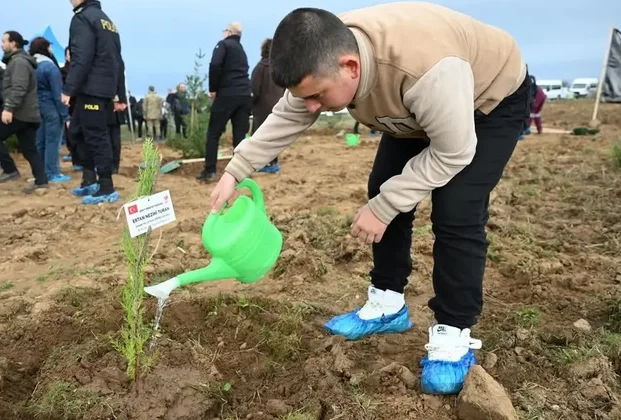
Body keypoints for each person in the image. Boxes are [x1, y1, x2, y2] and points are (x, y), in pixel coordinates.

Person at [207, 4, 530, 395]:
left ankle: (453, 331)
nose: (312, 106)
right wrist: (233, 171)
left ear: (350, 67)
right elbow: (288, 116)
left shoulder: (427, 70)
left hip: (487, 100)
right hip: (414, 105)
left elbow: (452, 152)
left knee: (456, 208)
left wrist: (383, 208)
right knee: (384, 185)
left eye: (317, 96)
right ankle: (388, 304)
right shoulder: (324, 59)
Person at [62, 0, 127, 205]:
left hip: (92, 88)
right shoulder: (106, 21)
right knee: (77, 132)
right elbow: (118, 61)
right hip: (100, 87)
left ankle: (106, 186)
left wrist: (68, 89)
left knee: (96, 136)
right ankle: (89, 179)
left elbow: (81, 57)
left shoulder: (82, 18)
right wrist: (119, 94)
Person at [0, 30, 48, 193]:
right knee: (29, 149)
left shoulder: (19, 63)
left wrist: (9, 108)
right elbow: (6, 77)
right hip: (28, 114)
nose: (1, 44)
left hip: (19, 113)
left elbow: (19, 87)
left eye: (4, 41)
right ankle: (41, 181)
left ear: (13, 43)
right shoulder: (18, 62)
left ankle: (10, 170)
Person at [197, 21, 252, 182]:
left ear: (228, 32)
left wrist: (213, 88)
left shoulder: (223, 45)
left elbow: (215, 65)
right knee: (240, 135)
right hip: (244, 95)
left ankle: (210, 170)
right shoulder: (242, 50)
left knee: (214, 133)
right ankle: (240, 172)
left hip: (227, 94)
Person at [29, 36, 71, 183]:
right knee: (52, 141)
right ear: (45, 48)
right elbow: (57, 93)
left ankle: (40, 172)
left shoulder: (31, 66)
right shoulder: (50, 67)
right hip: (51, 108)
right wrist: (65, 115)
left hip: (36, 107)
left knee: (40, 141)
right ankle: (52, 172)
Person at [250, 38, 284, 174]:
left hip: (262, 108)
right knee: (274, 136)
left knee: (259, 136)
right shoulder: (280, 68)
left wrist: (251, 105)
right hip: (278, 107)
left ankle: (261, 163)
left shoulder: (260, 68)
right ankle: (273, 163)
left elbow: (255, 90)